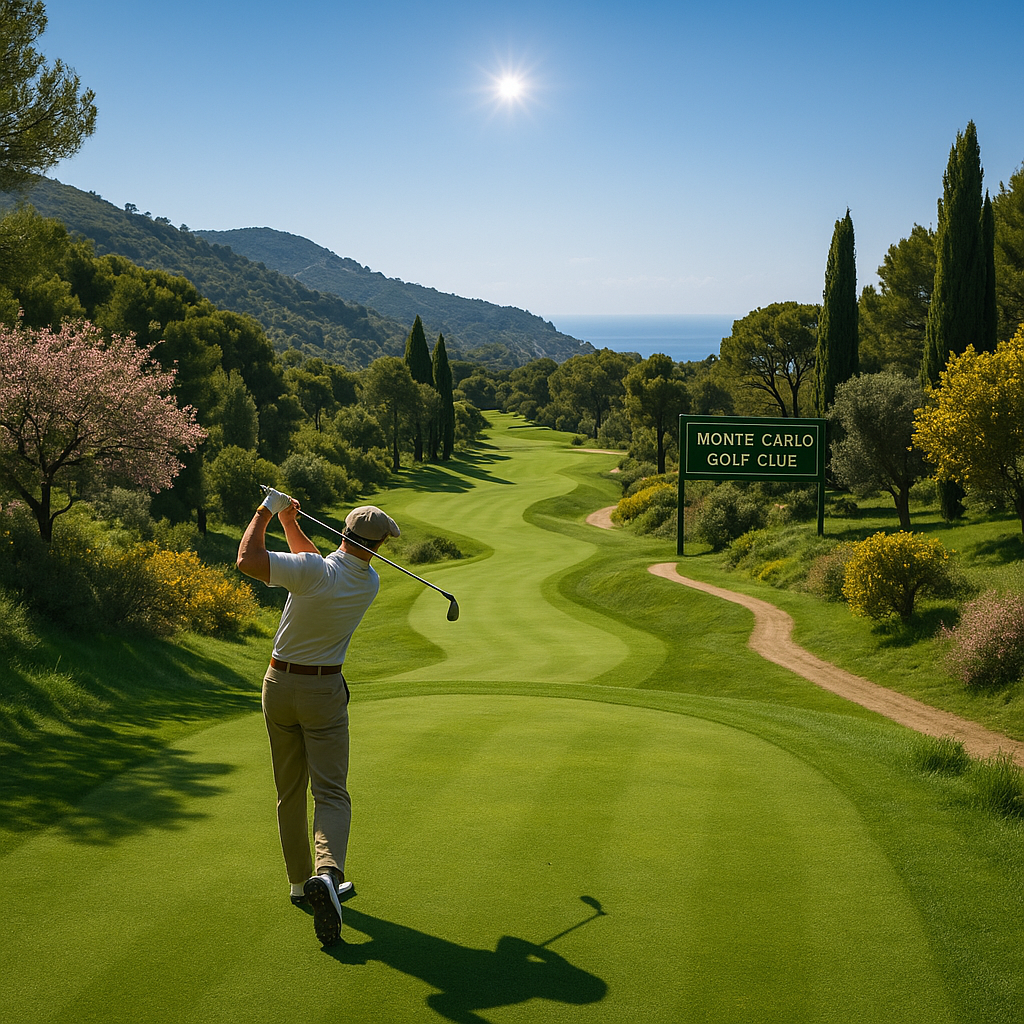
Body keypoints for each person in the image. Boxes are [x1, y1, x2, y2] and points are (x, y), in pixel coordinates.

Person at [236, 486, 400, 946]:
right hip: (324, 690)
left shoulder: (312, 571)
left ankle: (298, 883)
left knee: (289, 791)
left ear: (343, 532)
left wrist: (266, 511)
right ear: (378, 545)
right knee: (330, 791)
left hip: (278, 685)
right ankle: (327, 876)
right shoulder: (368, 582)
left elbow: (248, 561)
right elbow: (314, 565)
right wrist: (291, 523)